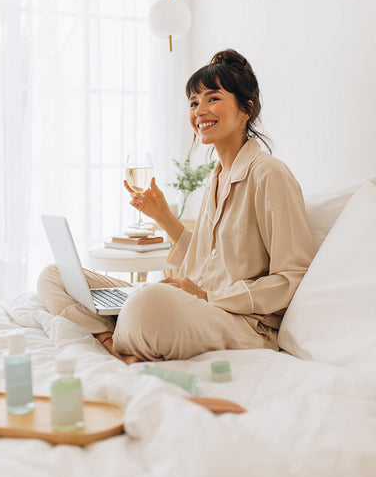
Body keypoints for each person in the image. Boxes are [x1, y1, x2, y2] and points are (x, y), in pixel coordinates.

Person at [37, 49, 315, 364]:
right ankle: (111, 338)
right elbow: (206, 262)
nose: (200, 110)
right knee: (53, 276)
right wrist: (163, 217)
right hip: (196, 305)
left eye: (212, 98)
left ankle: (123, 329)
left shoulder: (269, 174)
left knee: (149, 300)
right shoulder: (216, 177)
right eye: (193, 102)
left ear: (246, 109)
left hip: (243, 323)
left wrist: (208, 296)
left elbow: (293, 277)